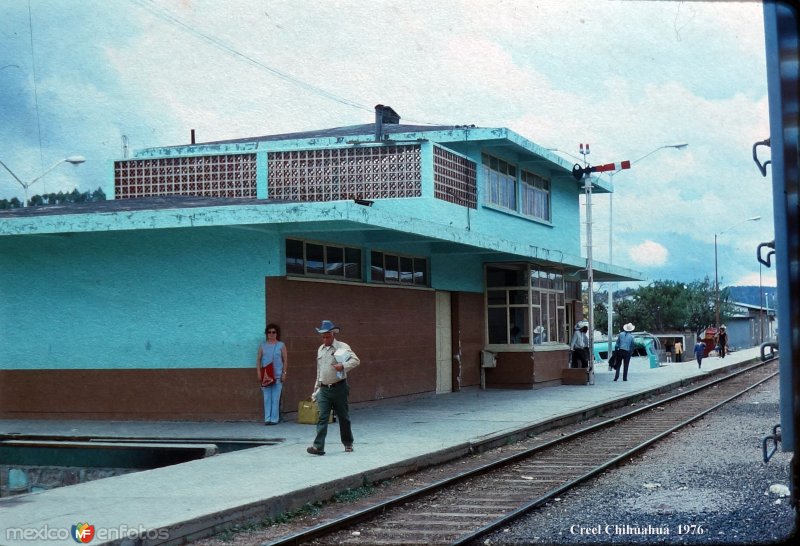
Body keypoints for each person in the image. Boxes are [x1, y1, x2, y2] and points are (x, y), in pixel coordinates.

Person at [307, 320, 361, 456]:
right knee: (322, 417)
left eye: (327, 336)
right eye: (323, 337)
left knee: (343, 417)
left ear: (333, 334)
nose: (325, 339)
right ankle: (318, 447)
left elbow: (355, 360)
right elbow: (319, 370)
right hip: (324, 389)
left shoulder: (342, 347)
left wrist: (343, 366)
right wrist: (316, 388)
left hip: (339, 387)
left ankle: (348, 443)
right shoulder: (321, 349)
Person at [256, 323, 288, 425]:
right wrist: (258, 373)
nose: (271, 334)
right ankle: (267, 419)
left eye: (273, 332)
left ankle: (274, 419)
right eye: (269, 332)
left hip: (277, 375)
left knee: (275, 398)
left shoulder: (281, 345)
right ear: (266, 333)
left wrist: (284, 373)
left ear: (277, 333)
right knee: (266, 398)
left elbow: (285, 360)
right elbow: (258, 360)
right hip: (266, 376)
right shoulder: (263, 346)